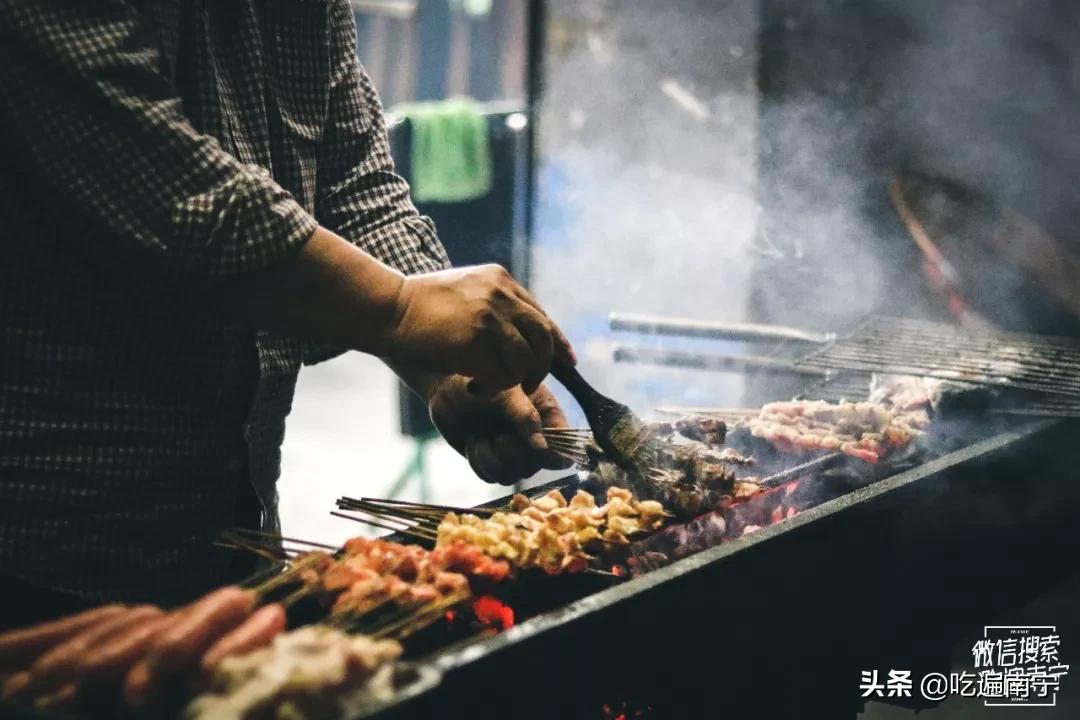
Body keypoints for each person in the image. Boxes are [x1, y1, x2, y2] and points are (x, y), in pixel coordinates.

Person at [0, 0, 574, 619]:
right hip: (45, 548)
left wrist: (452, 365)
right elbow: (173, 187)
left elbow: (355, 178)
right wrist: (403, 310)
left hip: (239, 526)